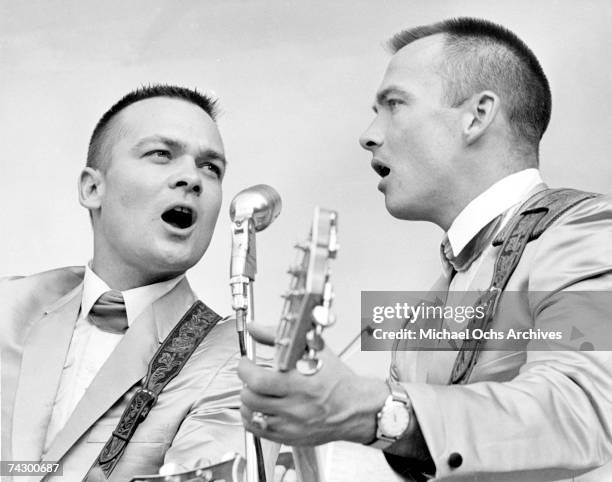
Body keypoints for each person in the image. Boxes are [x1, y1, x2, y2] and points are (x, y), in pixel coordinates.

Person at [238, 17, 612, 481]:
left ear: (476, 116)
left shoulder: (591, 230)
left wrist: (370, 410)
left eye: (394, 104)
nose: (368, 134)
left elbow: (585, 409)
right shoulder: (422, 314)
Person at [0, 85, 246, 481]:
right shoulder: (8, 305)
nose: (192, 178)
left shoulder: (239, 356)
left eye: (210, 167)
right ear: (92, 188)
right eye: (161, 154)